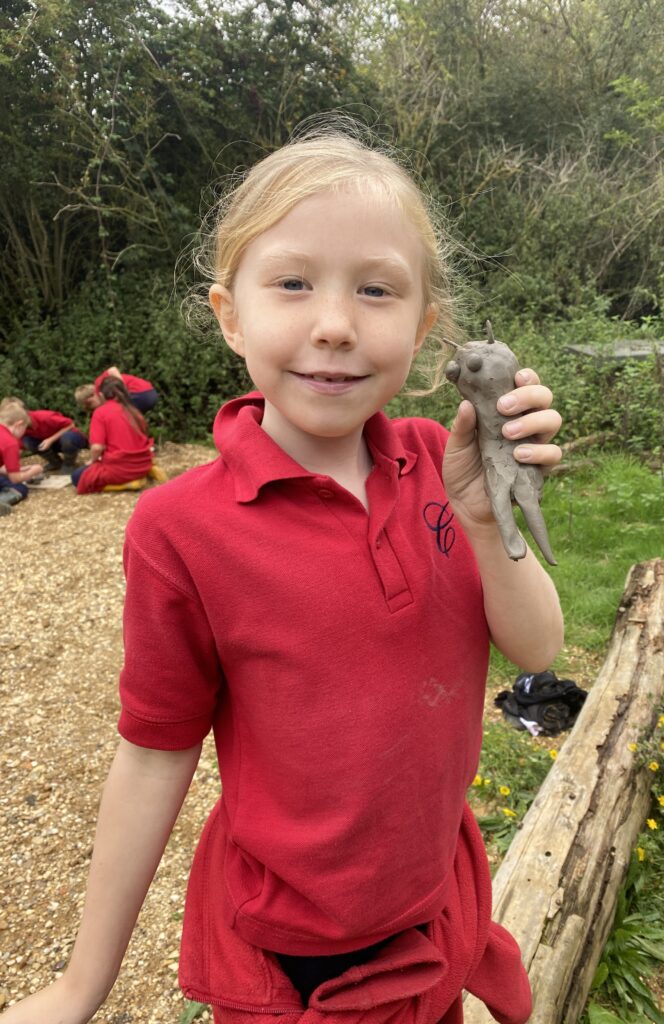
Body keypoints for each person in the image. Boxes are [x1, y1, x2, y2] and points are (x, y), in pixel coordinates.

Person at [2, 129, 563, 1024]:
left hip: (439, 904)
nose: (336, 323)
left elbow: (537, 647)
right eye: (294, 283)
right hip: (298, 965)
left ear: (421, 332)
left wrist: (489, 516)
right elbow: (154, 755)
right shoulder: (180, 528)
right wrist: (80, 987)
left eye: (376, 290)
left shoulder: (437, 463)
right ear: (231, 315)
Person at [71, 376, 154, 494]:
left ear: (101, 395)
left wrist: (92, 461)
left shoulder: (100, 412)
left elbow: (97, 447)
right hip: (144, 464)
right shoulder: (132, 409)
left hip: (120, 469)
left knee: (76, 477)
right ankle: (145, 474)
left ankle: (125, 484)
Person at [0, 396, 89, 472]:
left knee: (67, 438)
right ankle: (56, 462)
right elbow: (18, 448)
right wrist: (10, 466)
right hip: (52, 444)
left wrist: (50, 440)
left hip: (72, 438)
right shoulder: (20, 429)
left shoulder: (44, 417)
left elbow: (70, 424)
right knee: (27, 441)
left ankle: (69, 464)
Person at [0, 400, 44, 502]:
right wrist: (34, 470)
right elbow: (15, 479)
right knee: (20, 488)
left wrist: (18, 469)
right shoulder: (10, 442)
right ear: (19, 424)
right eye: (25, 428)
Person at [75, 367, 159, 415]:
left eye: (90, 405)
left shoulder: (99, 383)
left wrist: (124, 391)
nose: (95, 409)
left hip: (140, 393)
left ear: (91, 397)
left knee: (118, 415)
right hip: (149, 392)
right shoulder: (106, 395)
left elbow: (113, 370)